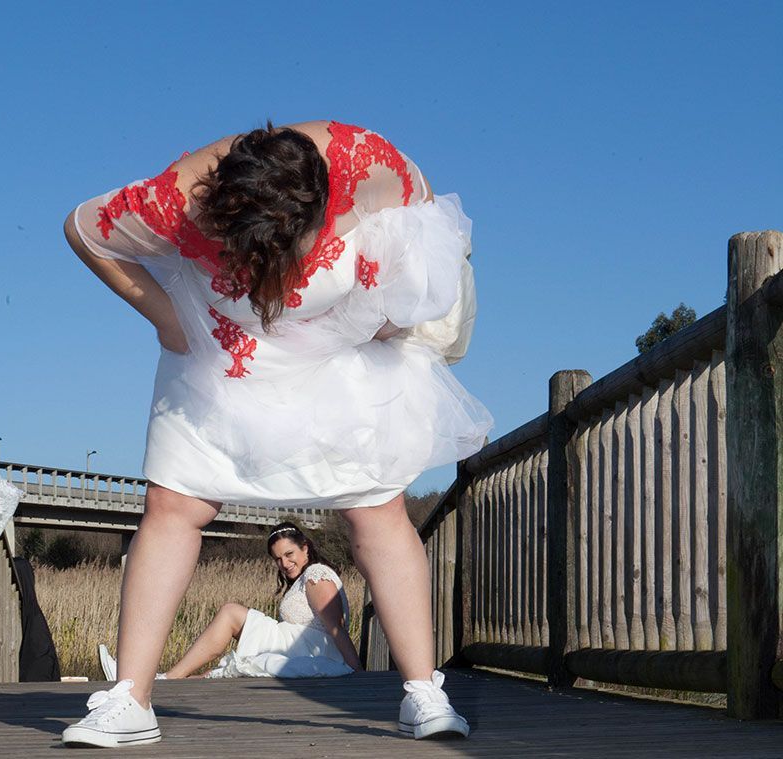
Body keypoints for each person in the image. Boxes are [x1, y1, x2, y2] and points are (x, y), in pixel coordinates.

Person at [61, 120, 493, 748]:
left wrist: (390, 311)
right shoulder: (172, 202)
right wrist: (166, 320)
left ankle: (423, 691)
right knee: (174, 504)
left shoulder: (371, 166)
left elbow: (430, 231)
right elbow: (82, 229)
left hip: (338, 345)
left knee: (377, 507)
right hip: (222, 350)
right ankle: (130, 698)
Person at [99, 522, 362, 683]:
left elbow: (336, 626)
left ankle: (166, 677)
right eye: (278, 558)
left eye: (289, 554)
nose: (284, 563)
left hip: (310, 649)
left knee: (231, 614)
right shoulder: (305, 577)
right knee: (226, 660)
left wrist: (358, 673)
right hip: (294, 645)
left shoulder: (316, 575)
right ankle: (156, 678)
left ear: (305, 547)